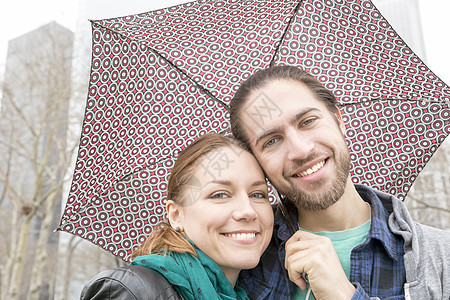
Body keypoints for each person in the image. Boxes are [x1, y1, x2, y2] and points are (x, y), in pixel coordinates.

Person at [229, 65, 450, 299]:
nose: (301, 151)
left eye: (307, 121)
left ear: (338, 119)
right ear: (255, 162)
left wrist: (344, 295)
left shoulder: (441, 258)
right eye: (271, 141)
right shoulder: (241, 259)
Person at [80, 133, 274, 299]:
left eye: (257, 194)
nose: (248, 211)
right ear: (176, 215)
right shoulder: (133, 291)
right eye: (220, 194)